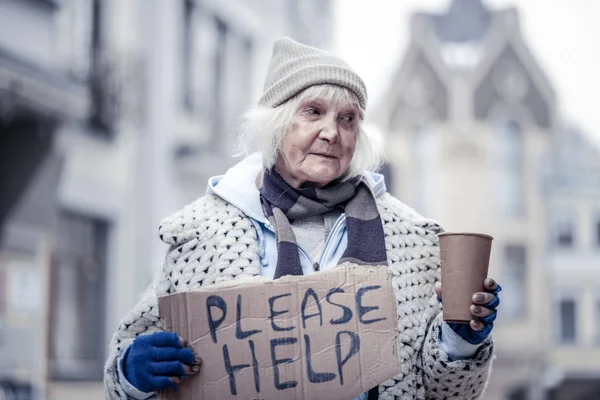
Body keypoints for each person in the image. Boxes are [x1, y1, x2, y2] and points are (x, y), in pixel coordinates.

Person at [104, 37, 502, 400]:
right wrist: (132, 374)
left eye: (348, 119)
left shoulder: (415, 243)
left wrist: (459, 341)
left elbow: (448, 393)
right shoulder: (200, 235)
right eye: (313, 112)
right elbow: (122, 378)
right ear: (277, 124)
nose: (332, 132)